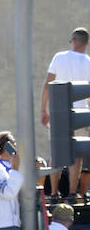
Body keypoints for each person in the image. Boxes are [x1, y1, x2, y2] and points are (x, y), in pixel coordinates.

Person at [41, 28, 90, 196]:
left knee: (57, 151)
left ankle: (54, 192)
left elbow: (48, 84)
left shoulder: (60, 57)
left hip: (59, 111)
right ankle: (71, 193)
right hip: (82, 113)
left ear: (74, 41)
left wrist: (44, 110)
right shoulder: (88, 62)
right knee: (76, 154)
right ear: (86, 44)